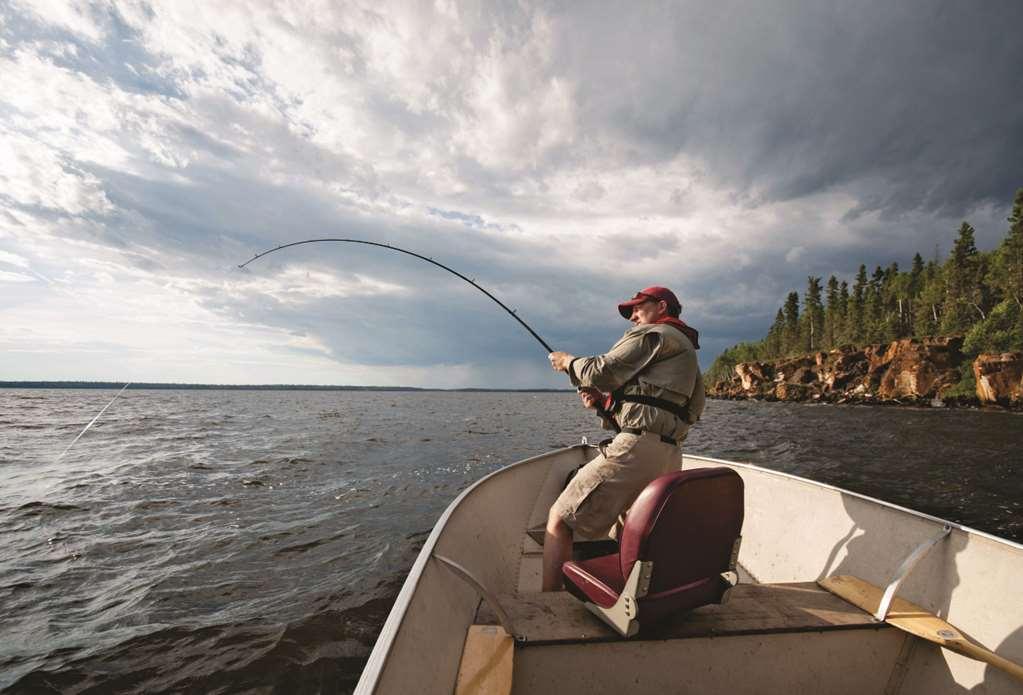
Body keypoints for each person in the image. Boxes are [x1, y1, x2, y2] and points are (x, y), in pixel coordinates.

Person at [544, 286, 705, 591]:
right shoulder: (686, 354)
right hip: (669, 457)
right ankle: (629, 593)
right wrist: (606, 405)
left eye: (637, 308)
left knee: (559, 520)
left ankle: (549, 610)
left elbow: (602, 371)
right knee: (634, 531)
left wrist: (568, 362)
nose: (632, 317)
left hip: (637, 452)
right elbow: (680, 410)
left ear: (661, 306)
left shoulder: (656, 334)